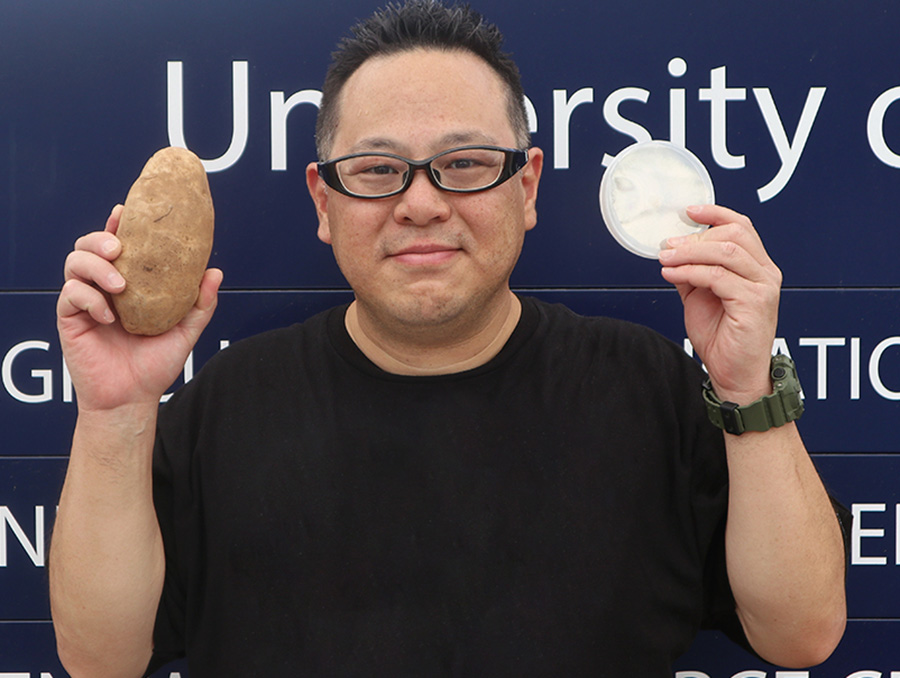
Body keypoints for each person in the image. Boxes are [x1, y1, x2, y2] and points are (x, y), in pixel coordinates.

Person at [50, 1, 848, 676]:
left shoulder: (649, 391)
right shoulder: (226, 407)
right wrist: (115, 413)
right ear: (323, 203)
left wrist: (749, 388)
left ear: (527, 186)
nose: (422, 204)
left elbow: (802, 634)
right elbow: (101, 660)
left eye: (464, 164)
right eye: (375, 169)